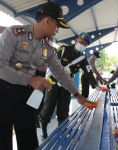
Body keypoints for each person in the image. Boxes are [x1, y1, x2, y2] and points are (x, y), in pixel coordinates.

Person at [0, 2, 98, 150]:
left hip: (25, 98)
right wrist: (30, 79)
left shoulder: (47, 48)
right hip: (3, 95)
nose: (57, 31)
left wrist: (77, 95)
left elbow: (60, 73)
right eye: (57, 26)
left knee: (29, 143)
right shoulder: (14, 33)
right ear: (47, 21)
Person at [39, 32, 107, 141]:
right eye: (81, 42)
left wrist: (97, 85)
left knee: (64, 110)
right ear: (76, 40)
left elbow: (88, 72)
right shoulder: (63, 50)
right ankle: (43, 130)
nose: (82, 45)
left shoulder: (83, 58)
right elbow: (51, 64)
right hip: (52, 83)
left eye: (85, 44)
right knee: (48, 107)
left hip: (67, 85)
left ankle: (62, 132)